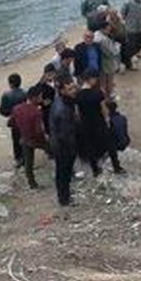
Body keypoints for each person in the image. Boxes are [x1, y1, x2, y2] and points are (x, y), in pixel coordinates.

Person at [76, 70, 116, 176]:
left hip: (86, 124)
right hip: (98, 122)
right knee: (110, 144)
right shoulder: (97, 93)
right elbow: (103, 109)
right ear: (90, 79)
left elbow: (78, 112)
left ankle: (95, 170)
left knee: (90, 147)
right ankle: (116, 166)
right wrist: (107, 120)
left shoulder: (78, 95)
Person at [48, 76, 80, 207]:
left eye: (73, 87)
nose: (74, 90)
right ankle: (64, 198)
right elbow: (65, 134)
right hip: (63, 147)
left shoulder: (61, 102)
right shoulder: (63, 110)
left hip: (59, 143)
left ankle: (64, 195)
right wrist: (74, 148)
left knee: (62, 172)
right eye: (70, 89)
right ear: (62, 91)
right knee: (64, 172)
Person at [9, 92, 48, 189]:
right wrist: (45, 139)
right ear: (34, 98)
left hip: (25, 138)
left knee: (28, 163)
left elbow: (10, 123)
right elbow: (39, 130)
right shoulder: (36, 112)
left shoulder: (17, 108)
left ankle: (32, 183)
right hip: (36, 139)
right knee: (56, 152)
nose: (41, 100)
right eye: (39, 98)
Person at [0, 73, 27, 164]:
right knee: (25, 136)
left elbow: (3, 111)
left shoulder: (6, 95)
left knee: (16, 139)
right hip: (25, 119)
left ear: (10, 84)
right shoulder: (25, 93)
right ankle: (26, 156)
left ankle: (19, 158)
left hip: (15, 120)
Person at [121, 0, 141, 69]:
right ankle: (131, 61)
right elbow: (123, 12)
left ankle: (137, 52)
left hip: (140, 26)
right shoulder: (128, 3)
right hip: (131, 27)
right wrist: (127, 20)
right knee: (131, 44)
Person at [95, 22, 122, 98]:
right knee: (109, 81)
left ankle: (105, 96)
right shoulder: (104, 40)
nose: (109, 31)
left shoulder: (96, 35)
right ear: (102, 29)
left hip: (100, 62)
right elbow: (112, 52)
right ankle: (109, 96)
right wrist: (118, 46)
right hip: (107, 62)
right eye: (108, 29)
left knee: (102, 81)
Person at [106, 100, 130, 172]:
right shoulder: (122, 118)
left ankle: (116, 166)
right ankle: (116, 166)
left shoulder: (109, 121)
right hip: (123, 141)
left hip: (115, 143)